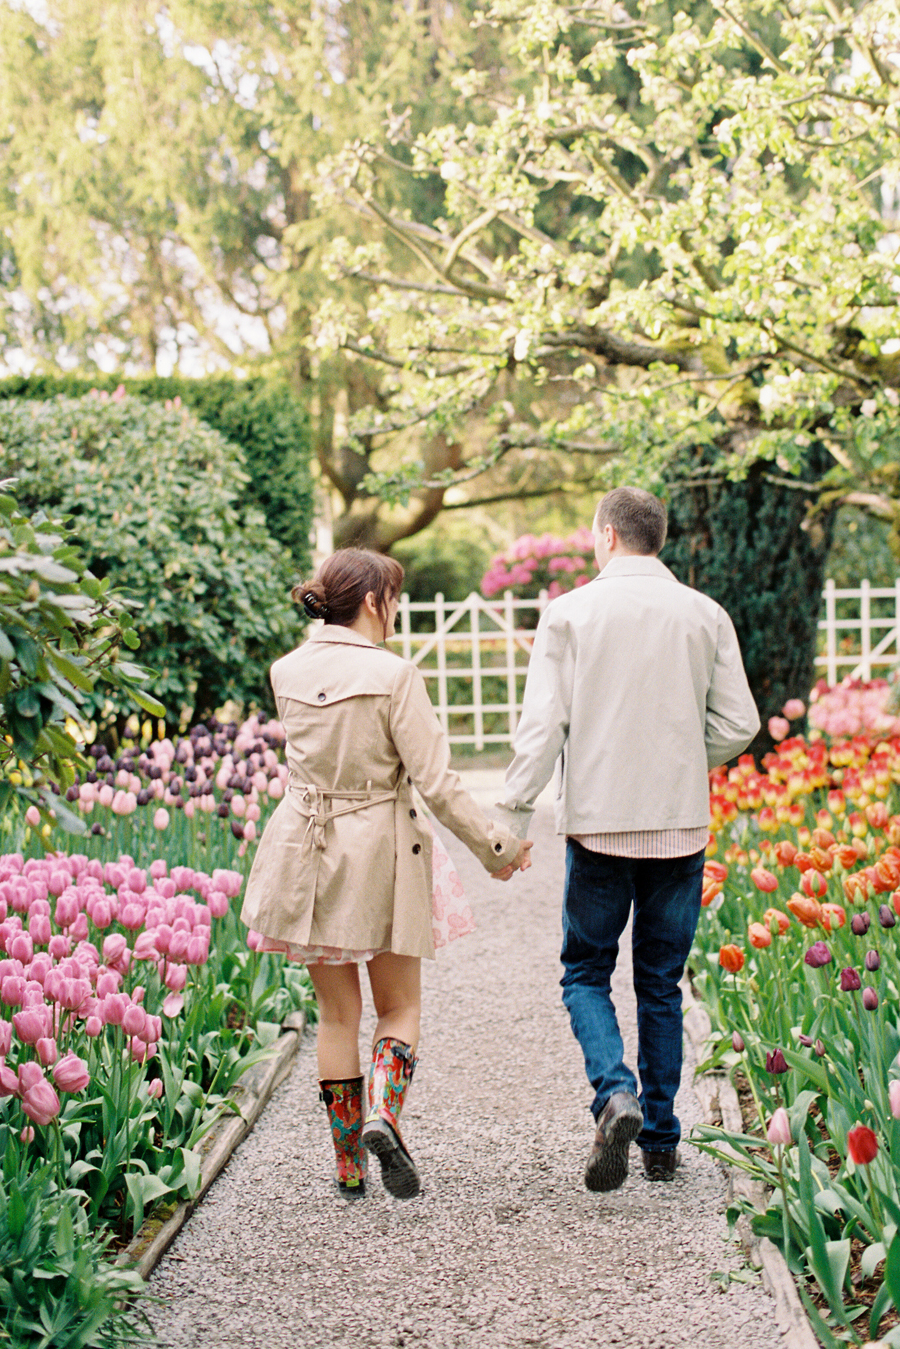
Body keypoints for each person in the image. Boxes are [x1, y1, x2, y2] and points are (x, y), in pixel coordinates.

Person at [243, 548, 533, 1199]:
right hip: (382, 855)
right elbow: (436, 784)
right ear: (374, 601)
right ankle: (384, 1113)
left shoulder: (285, 670)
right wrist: (499, 848)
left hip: (307, 854)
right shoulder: (394, 675)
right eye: (393, 597)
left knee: (335, 1013)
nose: (396, 609)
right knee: (399, 1004)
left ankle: (349, 1164)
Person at [497, 487, 760, 1192]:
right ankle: (663, 1145)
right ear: (656, 538)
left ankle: (615, 1093)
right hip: (678, 824)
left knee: (585, 971)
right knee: (660, 984)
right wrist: (681, 757)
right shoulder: (704, 614)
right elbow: (739, 723)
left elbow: (540, 727)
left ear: (607, 535)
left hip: (600, 825)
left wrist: (513, 817)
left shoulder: (569, 614)